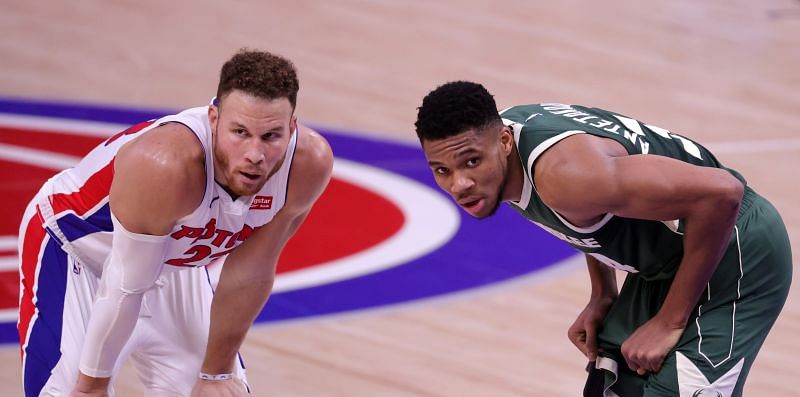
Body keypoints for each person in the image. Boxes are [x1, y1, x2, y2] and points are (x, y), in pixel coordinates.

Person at [414, 81, 792, 396]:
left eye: (471, 163)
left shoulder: (566, 176)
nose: (459, 184)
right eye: (442, 170)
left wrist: (669, 321)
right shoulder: (501, 150)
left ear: (505, 142)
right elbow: (592, 212)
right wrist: (603, 291)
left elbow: (723, 194)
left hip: (737, 249)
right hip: (670, 263)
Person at [17, 49, 333, 396]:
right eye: (240, 132)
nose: (255, 155)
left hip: (171, 262)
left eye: (271, 136)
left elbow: (251, 272)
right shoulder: (167, 164)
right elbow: (125, 282)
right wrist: (93, 383)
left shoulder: (307, 164)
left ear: (292, 127)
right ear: (214, 118)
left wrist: (215, 374)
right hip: (78, 251)